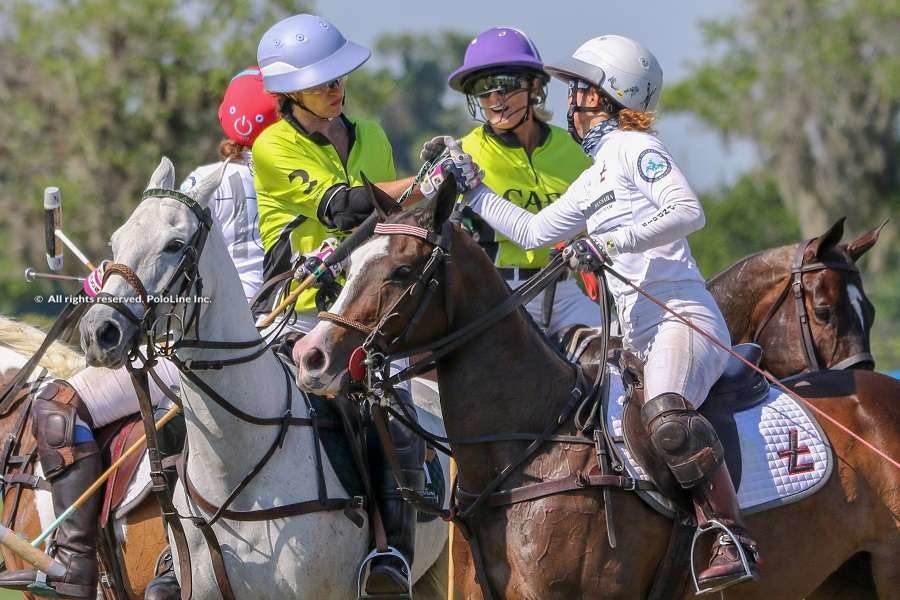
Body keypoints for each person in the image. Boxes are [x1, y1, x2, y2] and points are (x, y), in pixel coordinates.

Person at [450, 35, 760, 593]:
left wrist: (608, 245)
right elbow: (534, 231)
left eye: (581, 92)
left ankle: (728, 533)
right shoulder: (595, 173)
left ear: (611, 96)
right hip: (634, 333)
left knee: (665, 414)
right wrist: (472, 190)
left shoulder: (632, 146)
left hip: (680, 318)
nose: (570, 103)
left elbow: (687, 210)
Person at [0, 67, 279, 599]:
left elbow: (221, 285)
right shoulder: (299, 172)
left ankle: (76, 568)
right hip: (287, 331)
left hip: (218, 343)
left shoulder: (216, 181)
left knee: (60, 403)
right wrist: (120, 284)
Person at [252, 14, 478, 596]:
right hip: (300, 309)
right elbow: (351, 210)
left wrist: (425, 188)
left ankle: (393, 553)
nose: (336, 87)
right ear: (287, 92)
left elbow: (392, 226)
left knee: (390, 404)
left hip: (368, 307)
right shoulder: (272, 146)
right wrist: (430, 178)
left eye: (338, 76)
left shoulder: (371, 134)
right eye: (320, 80)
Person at [422, 27, 599, 337]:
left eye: (504, 86)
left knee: (619, 359)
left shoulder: (575, 149)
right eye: (483, 89)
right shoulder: (465, 152)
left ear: (534, 87)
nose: (494, 100)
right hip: (496, 291)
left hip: (564, 290)